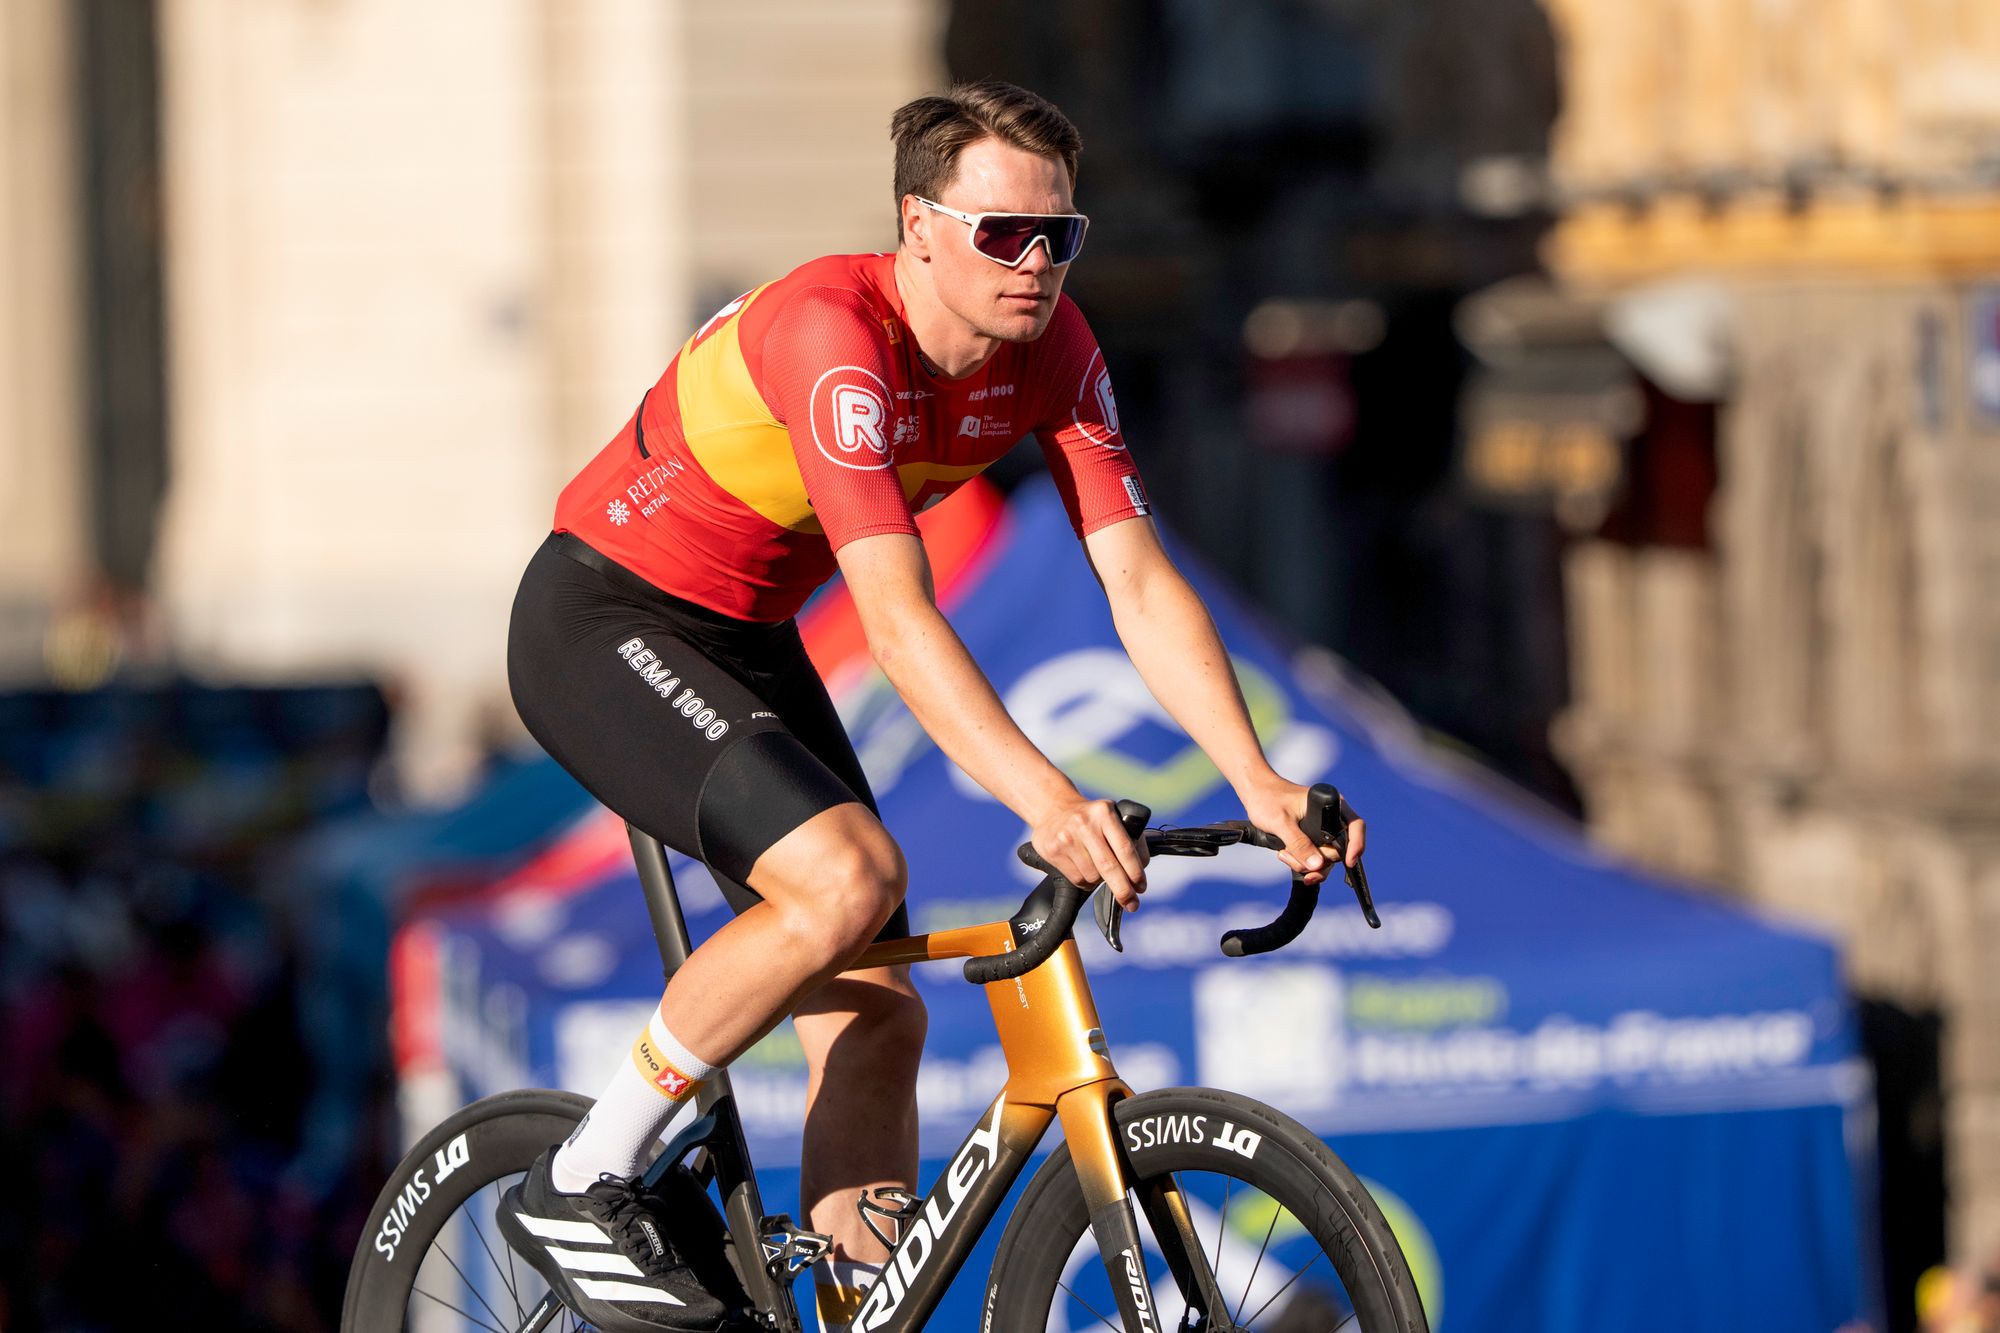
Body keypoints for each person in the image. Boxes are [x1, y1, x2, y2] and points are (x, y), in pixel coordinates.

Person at [500, 80, 1366, 1333]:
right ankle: (585, 1173)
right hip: (603, 620)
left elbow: (1135, 577)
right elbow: (899, 624)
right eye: (1000, 234)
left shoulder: (1056, 352)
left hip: (741, 635)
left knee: (877, 1008)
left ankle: (853, 1310)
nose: (1034, 266)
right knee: (848, 878)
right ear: (916, 226)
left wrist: (1259, 781)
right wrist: (1049, 802)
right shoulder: (832, 336)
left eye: (1058, 238)